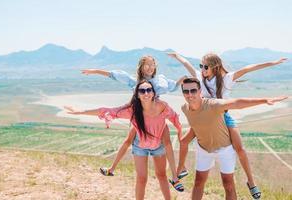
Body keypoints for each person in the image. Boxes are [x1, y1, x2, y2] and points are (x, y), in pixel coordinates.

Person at [168, 52, 287, 198]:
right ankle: (181, 169)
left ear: (214, 67)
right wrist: (177, 56)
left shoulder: (226, 79)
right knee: (184, 141)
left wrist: (273, 63)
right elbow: (187, 65)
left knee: (239, 148)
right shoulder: (200, 79)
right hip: (203, 118)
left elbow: (248, 69)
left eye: (205, 66)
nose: (202, 69)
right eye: (201, 66)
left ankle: (251, 181)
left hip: (223, 116)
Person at [81, 55, 188, 190]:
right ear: (141, 67)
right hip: (139, 116)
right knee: (127, 141)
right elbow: (115, 75)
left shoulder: (159, 81)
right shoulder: (135, 81)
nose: (150, 67)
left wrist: (182, 79)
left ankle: (175, 176)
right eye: (147, 64)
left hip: (156, 117)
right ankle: (111, 169)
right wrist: (96, 71)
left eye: (152, 64)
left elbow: (173, 87)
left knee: (168, 144)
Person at [65, 80, 183, 199]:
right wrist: (80, 112)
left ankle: (173, 181)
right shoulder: (131, 110)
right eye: (142, 91)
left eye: (149, 90)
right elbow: (106, 110)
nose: (146, 93)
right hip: (140, 146)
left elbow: (175, 118)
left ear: (153, 93)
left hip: (157, 145)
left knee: (161, 175)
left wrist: (179, 131)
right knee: (141, 178)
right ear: (137, 94)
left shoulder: (162, 107)